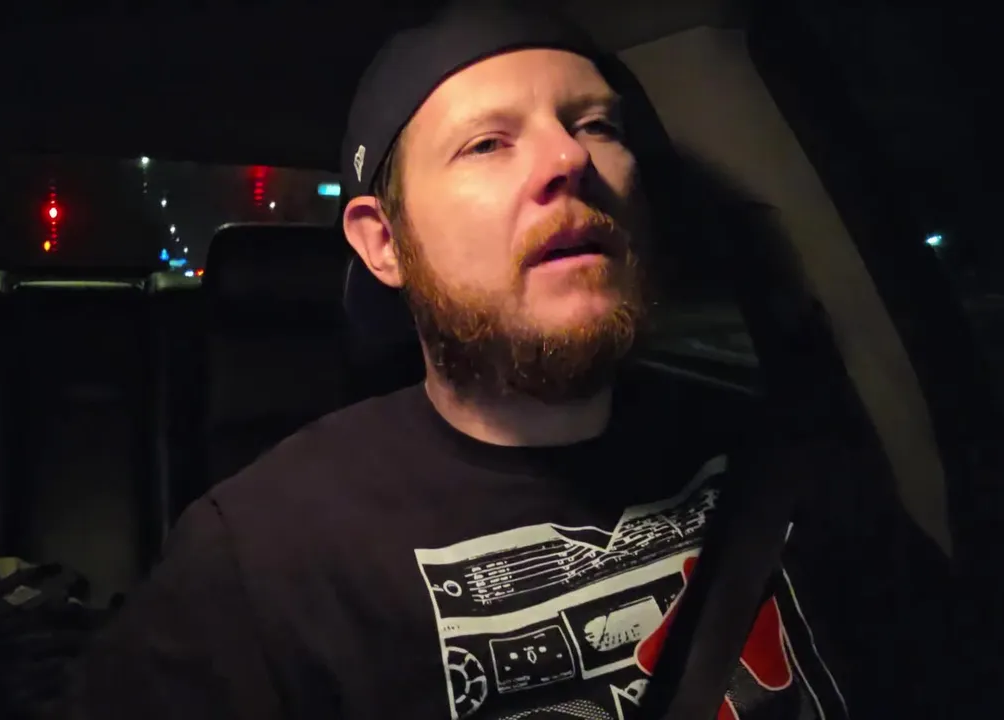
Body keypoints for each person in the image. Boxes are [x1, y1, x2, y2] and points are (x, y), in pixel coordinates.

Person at [60, 4, 950, 718]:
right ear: (383, 244)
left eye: (596, 123)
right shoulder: (257, 563)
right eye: (487, 143)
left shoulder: (784, 463)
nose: (570, 159)